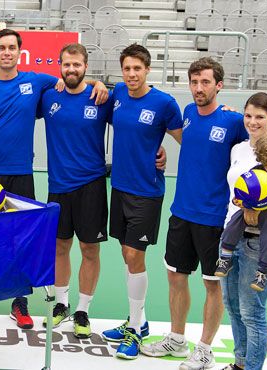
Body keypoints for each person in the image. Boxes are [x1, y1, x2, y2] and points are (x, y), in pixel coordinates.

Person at [0, 29, 108, 329]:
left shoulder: (35, 82)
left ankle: (20, 302)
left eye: (12, 47)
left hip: (22, 175)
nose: (7, 52)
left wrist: (98, 81)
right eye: (1, 47)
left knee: (21, 242)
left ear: (19, 52)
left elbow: (76, 81)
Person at [140, 57, 247, 369]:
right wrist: (160, 155)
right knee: (176, 276)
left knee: (212, 284)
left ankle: (204, 349)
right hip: (182, 212)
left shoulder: (234, 121)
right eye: (194, 82)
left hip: (214, 219)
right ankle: (176, 338)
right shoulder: (187, 113)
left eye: (205, 82)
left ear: (219, 85)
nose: (198, 88)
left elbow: (260, 143)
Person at [99, 43, 182, 360]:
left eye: (137, 68)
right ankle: (140, 321)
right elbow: (97, 92)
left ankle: (134, 328)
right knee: (126, 254)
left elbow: (186, 138)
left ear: (147, 69)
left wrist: (164, 153)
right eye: (127, 68)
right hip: (119, 187)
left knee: (135, 254)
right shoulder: (118, 94)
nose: (132, 74)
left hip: (147, 192)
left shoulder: (164, 103)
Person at [36, 43, 112, 337]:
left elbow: (135, 125)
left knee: (89, 249)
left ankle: (83, 309)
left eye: (77, 65)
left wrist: (99, 83)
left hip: (91, 185)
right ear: (60, 65)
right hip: (58, 185)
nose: (71, 69)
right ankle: (62, 304)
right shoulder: (48, 97)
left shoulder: (101, 98)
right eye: (66, 64)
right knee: (60, 246)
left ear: (85, 66)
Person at [219, 92, 267, 370]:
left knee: (252, 312)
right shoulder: (238, 148)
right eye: (248, 116)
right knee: (233, 307)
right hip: (231, 234)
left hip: (259, 242)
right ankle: (240, 364)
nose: (253, 122)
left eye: (260, 117)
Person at [216, 135, 267, 292]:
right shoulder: (256, 171)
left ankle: (262, 273)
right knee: (232, 225)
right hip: (250, 208)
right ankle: (225, 257)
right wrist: (238, 201)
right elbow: (243, 189)